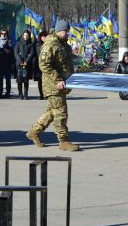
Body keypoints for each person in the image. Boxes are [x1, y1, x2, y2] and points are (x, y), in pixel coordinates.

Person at [26, 20, 79, 151]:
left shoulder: (63, 44)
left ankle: (34, 132)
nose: (67, 34)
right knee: (61, 113)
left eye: (68, 31)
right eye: (65, 31)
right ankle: (63, 141)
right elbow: (44, 64)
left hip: (62, 85)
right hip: (53, 86)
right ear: (59, 30)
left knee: (51, 112)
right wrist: (57, 80)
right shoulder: (51, 44)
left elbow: (67, 61)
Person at [14, 30, 35, 100]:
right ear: (23, 35)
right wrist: (20, 60)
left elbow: (32, 53)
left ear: (29, 36)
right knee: (19, 80)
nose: (26, 37)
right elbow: (16, 53)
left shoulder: (31, 44)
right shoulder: (18, 43)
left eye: (27, 36)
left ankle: (25, 94)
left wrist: (26, 61)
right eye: (25, 35)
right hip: (19, 64)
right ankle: (20, 94)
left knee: (26, 80)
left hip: (27, 65)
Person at [0, 29, 14, 98]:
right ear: (0, 34)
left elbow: (11, 52)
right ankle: (0, 92)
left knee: (8, 79)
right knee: (0, 79)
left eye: (5, 34)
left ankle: (8, 93)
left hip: (7, 63)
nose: (3, 35)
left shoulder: (9, 41)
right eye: (2, 34)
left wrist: (5, 49)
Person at [33, 31, 48, 100]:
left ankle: (46, 95)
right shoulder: (37, 44)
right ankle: (41, 94)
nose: (43, 38)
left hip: (48, 65)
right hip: (39, 65)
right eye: (42, 36)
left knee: (47, 81)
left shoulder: (49, 44)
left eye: (45, 36)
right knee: (40, 80)